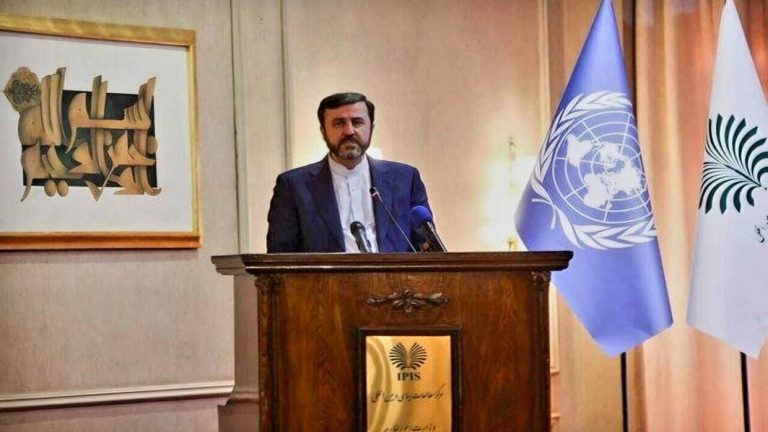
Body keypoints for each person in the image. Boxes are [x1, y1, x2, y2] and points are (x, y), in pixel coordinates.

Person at [266, 92, 433, 253]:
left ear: (371, 128)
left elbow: (425, 246)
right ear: (323, 131)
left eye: (357, 122)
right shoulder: (294, 186)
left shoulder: (405, 179)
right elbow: (280, 256)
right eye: (339, 123)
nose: (349, 131)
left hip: (393, 274)